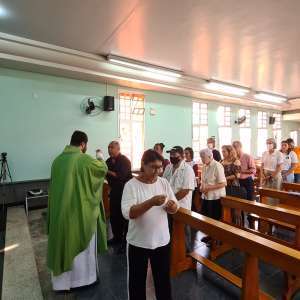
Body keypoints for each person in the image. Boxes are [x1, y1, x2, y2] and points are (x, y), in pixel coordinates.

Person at [47, 130, 108, 291]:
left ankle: (61, 284)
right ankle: (84, 280)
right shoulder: (85, 160)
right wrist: (100, 156)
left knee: (62, 243)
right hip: (80, 213)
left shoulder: (57, 161)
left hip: (61, 213)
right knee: (82, 250)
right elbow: (102, 170)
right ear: (83, 144)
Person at [122, 149, 178, 300]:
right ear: (143, 164)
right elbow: (129, 213)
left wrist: (172, 207)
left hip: (161, 241)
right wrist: (151, 202)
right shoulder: (131, 185)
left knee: (163, 281)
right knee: (137, 283)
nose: (157, 171)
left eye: (159, 167)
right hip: (138, 242)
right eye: (153, 167)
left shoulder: (163, 182)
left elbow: (174, 206)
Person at [163, 146, 195, 251]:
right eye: (170, 154)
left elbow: (185, 190)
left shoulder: (187, 169)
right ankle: (173, 250)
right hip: (168, 205)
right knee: (170, 228)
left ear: (181, 156)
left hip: (182, 206)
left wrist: (171, 200)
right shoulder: (168, 167)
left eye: (174, 155)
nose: (171, 157)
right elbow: (164, 183)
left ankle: (187, 252)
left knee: (183, 230)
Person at [106, 141, 132, 253]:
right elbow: (106, 176)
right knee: (113, 216)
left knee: (123, 218)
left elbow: (120, 176)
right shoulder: (107, 161)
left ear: (118, 149)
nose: (110, 149)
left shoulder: (124, 161)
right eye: (108, 147)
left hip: (124, 192)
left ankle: (125, 242)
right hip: (114, 192)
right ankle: (116, 238)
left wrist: (106, 170)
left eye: (112, 147)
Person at [199, 148, 226, 244]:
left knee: (214, 219)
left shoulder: (217, 166)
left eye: (203, 157)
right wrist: (202, 187)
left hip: (215, 197)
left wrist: (208, 188)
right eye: (201, 157)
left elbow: (223, 183)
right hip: (206, 196)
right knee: (207, 218)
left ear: (210, 156)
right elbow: (203, 181)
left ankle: (216, 238)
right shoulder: (205, 166)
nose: (201, 159)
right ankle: (210, 235)